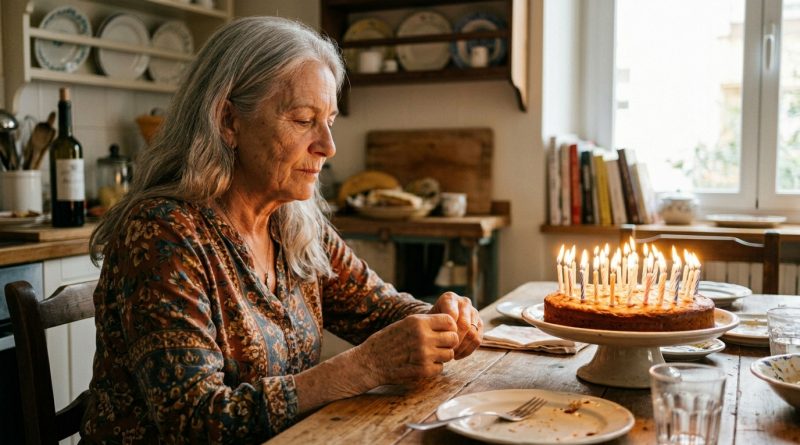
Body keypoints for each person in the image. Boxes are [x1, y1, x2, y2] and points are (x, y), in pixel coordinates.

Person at [82, 16, 483, 444]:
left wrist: (440, 317)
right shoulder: (162, 232)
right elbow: (194, 420)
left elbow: (383, 311)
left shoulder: (294, 222)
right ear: (228, 122)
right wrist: (363, 368)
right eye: (303, 119)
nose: (327, 146)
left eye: (329, 119)